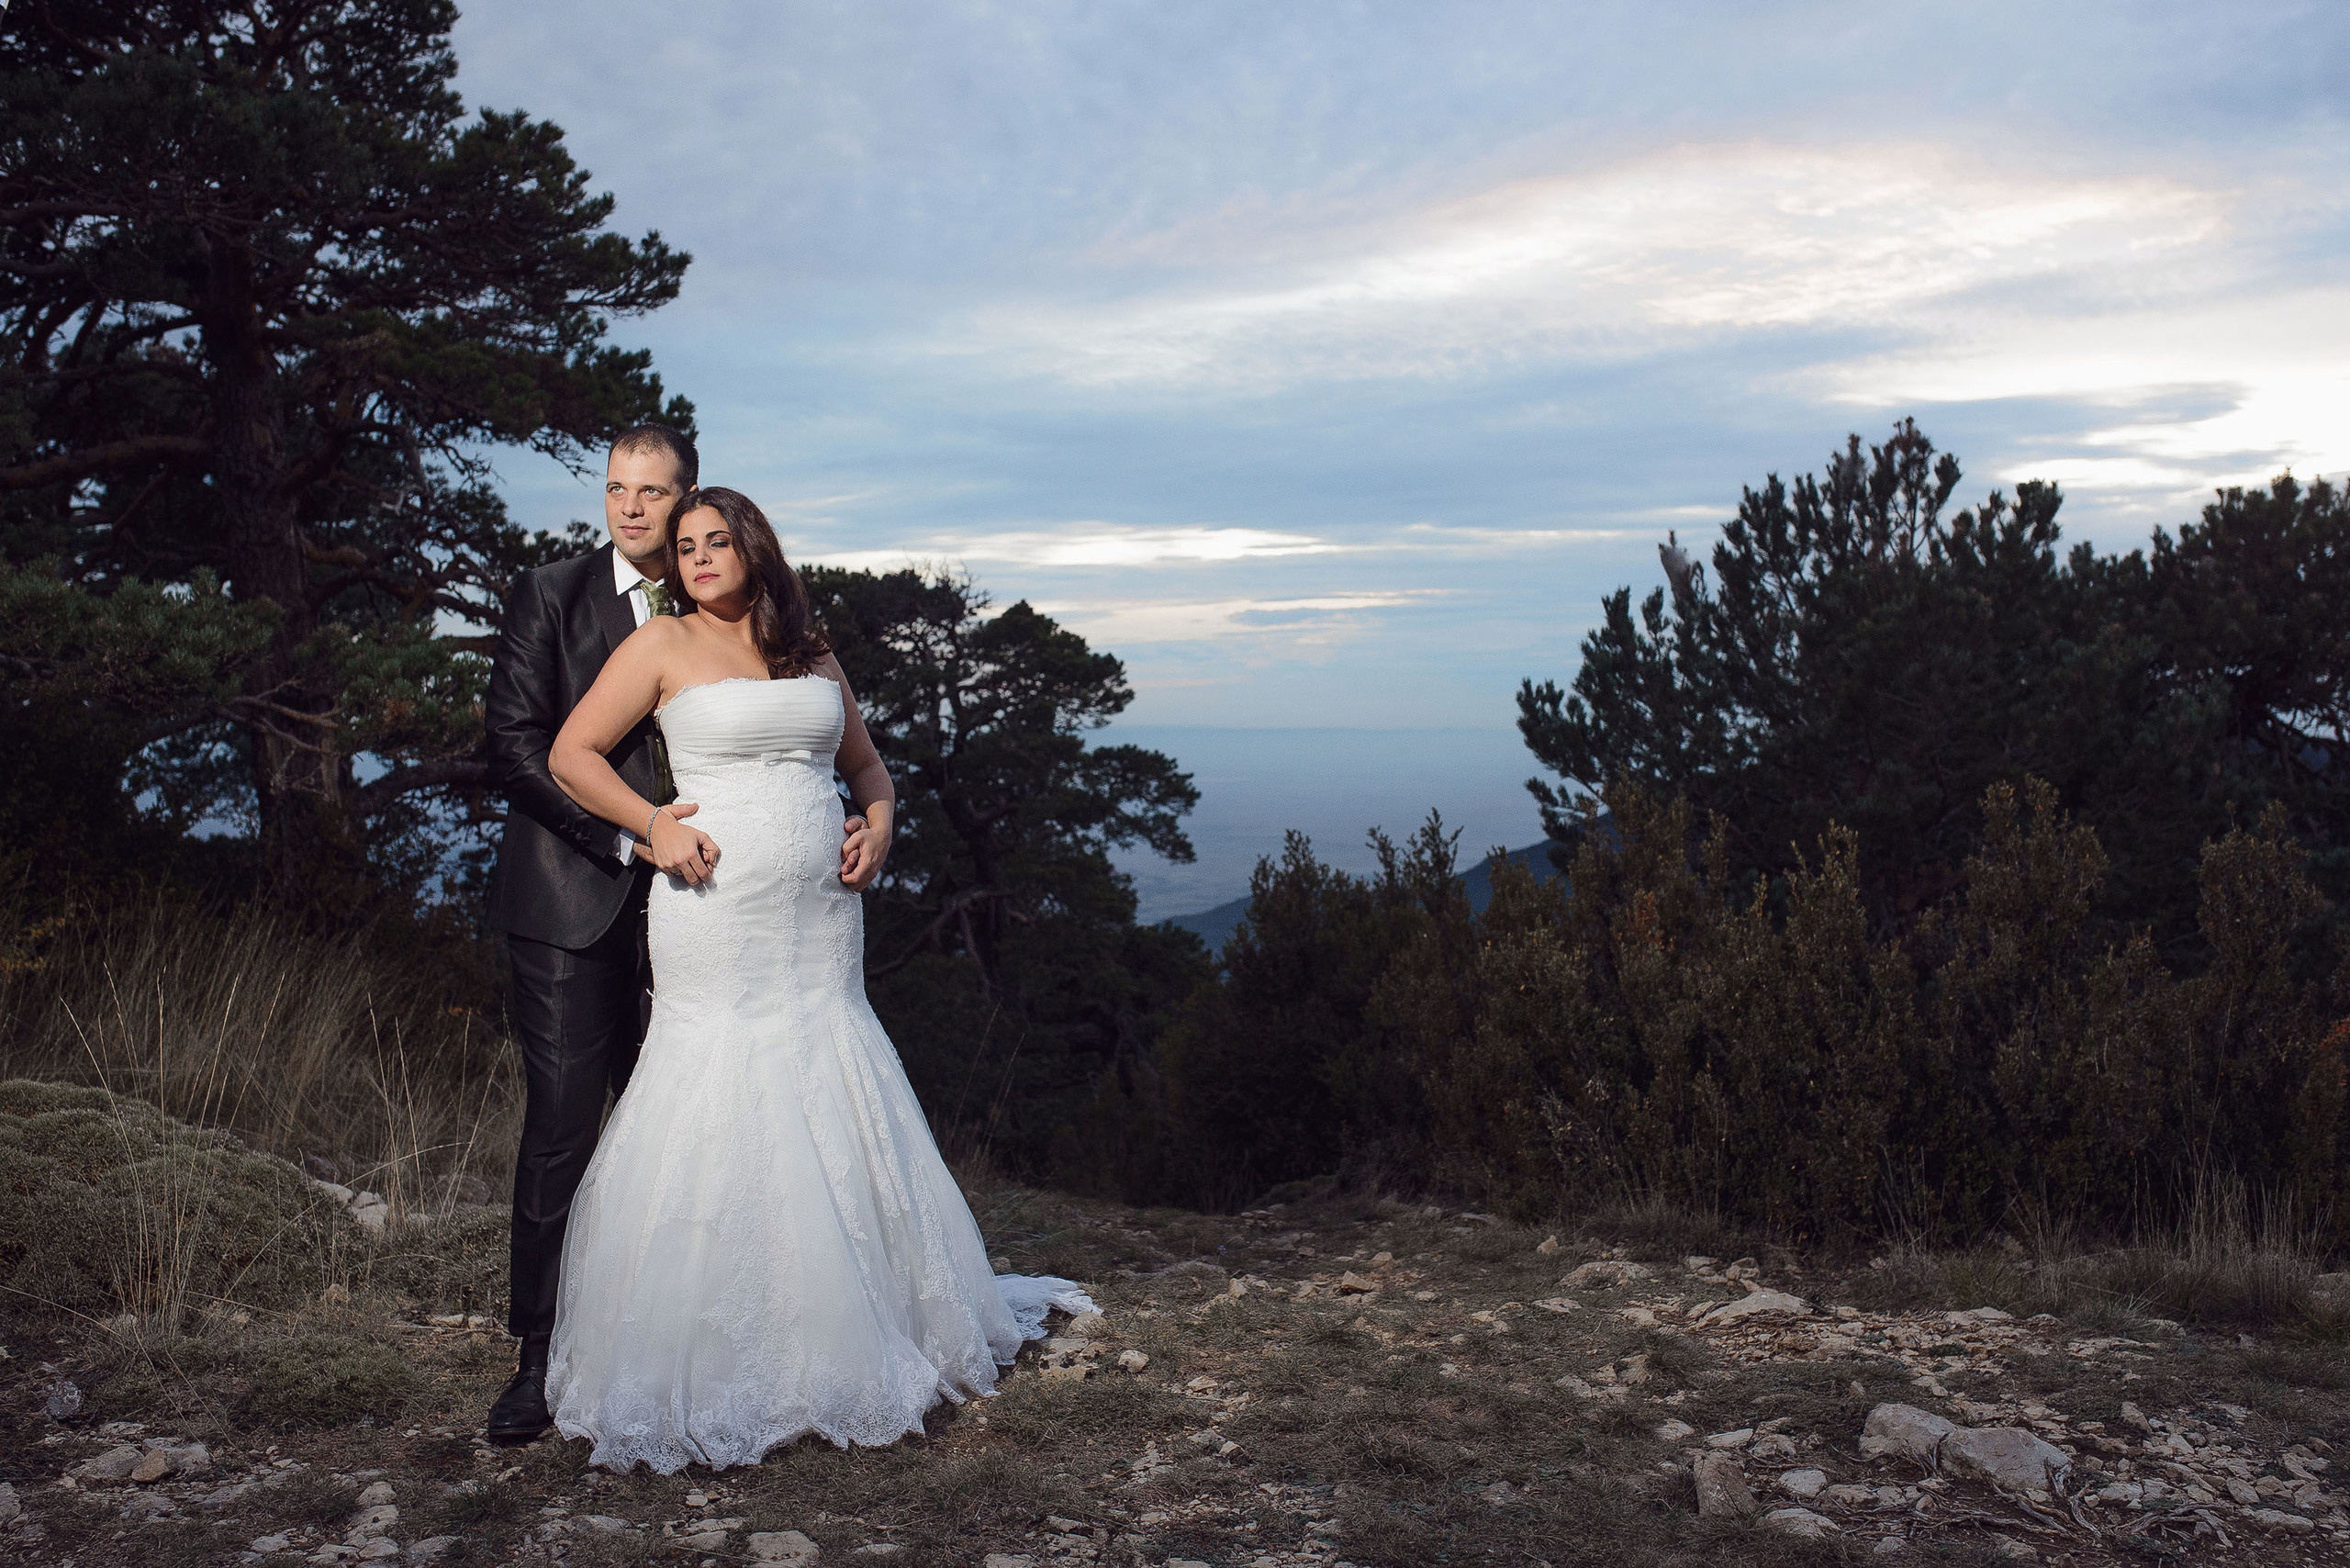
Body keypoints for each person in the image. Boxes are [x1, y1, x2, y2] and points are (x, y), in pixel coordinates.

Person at [538, 486, 1088, 1472]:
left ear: (754, 549)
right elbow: (569, 754)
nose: (698, 557)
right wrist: (654, 824)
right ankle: (717, 1348)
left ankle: (858, 1317)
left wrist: (877, 828)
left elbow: (869, 772)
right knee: (717, 1078)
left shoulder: (810, 651)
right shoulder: (659, 645)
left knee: (832, 1067)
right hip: (715, 914)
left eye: (716, 541)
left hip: (820, 924)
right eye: (685, 545)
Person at [479, 423, 714, 1444]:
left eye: (652, 492)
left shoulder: (717, 596)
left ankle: (675, 1333)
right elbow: (514, 749)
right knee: (566, 1124)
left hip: (705, 915)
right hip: (572, 900)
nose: (629, 507)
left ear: (686, 495)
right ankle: (538, 1354)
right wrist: (631, 841)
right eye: (616, 488)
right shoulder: (552, 594)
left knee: (687, 1124)